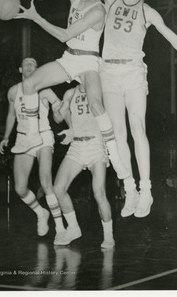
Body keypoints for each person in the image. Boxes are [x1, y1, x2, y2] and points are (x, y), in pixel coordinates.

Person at [20, 0, 177, 219]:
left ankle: (146, 190)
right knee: (118, 134)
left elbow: (174, 39)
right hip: (108, 72)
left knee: (137, 127)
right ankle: (130, 188)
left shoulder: (148, 12)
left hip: (134, 72)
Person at [13, 0, 129, 182]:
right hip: (69, 58)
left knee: (95, 104)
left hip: (88, 62)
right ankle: (31, 136)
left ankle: (115, 156)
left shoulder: (99, 11)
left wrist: (36, 17)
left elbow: (64, 35)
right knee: (29, 85)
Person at [0, 57, 65, 238]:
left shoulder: (44, 89)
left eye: (33, 64)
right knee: (20, 188)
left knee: (45, 180)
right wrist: (5, 137)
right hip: (23, 138)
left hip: (43, 136)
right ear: (20, 69)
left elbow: (60, 107)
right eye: (26, 64)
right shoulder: (13, 92)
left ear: (37, 70)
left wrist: (63, 114)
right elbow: (11, 115)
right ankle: (41, 213)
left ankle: (60, 228)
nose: (30, 66)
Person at [52, 84, 115, 249]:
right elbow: (58, 118)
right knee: (58, 188)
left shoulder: (99, 88)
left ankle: (109, 236)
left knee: (98, 192)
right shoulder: (70, 93)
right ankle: (73, 228)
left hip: (96, 143)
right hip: (77, 146)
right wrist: (56, 108)